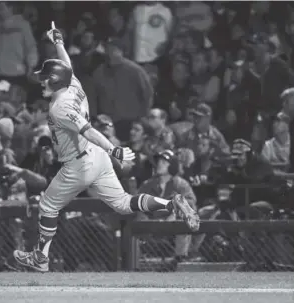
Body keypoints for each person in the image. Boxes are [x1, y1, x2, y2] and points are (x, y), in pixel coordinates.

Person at [13, 22, 200, 272]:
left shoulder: (60, 107)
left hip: (81, 162)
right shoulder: (73, 84)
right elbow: (66, 63)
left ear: (56, 81)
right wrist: (58, 41)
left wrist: (114, 149)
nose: (42, 82)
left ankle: (41, 258)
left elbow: (89, 131)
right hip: (96, 157)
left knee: (47, 205)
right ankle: (170, 204)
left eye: (45, 79)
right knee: (123, 203)